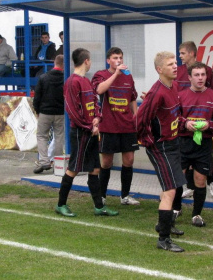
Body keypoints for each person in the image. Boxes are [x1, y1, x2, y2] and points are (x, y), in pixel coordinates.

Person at [56, 48, 118, 218]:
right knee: (74, 168)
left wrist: (97, 118)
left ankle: (99, 207)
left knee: (95, 169)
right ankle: (61, 204)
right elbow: (72, 110)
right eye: (90, 60)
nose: (90, 63)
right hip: (81, 132)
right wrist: (89, 126)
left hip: (91, 130)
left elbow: (94, 102)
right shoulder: (72, 82)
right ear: (86, 61)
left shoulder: (86, 81)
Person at [135, 51, 187, 253]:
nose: (175, 66)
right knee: (170, 190)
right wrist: (149, 141)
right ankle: (163, 239)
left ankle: (165, 224)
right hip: (161, 146)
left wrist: (185, 123)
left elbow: (174, 115)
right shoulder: (156, 93)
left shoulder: (173, 86)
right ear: (159, 69)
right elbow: (140, 121)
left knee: (175, 186)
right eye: (170, 64)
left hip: (173, 143)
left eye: (176, 63)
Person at [178, 62, 213, 227]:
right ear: (189, 77)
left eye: (203, 75)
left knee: (200, 180)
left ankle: (196, 214)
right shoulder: (181, 95)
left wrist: (210, 125)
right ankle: (176, 208)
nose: (200, 78)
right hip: (183, 142)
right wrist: (185, 123)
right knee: (178, 178)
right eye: (197, 75)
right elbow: (174, 116)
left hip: (204, 143)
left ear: (207, 77)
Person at [92, 47, 140, 205]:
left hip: (127, 125)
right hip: (109, 125)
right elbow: (99, 90)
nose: (118, 60)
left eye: (120, 57)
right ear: (108, 60)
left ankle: (124, 196)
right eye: (115, 58)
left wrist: (136, 116)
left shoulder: (128, 77)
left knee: (130, 159)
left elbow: (132, 97)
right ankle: (102, 195)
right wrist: (116, 74)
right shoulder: (101, 75)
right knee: (106, 162)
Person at [176, 41, 213, 200]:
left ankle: (210, 182)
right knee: (184, 158)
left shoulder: (207, 70)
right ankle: (190, 187)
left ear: (192, 53)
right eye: (179, 53)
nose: (180, 56)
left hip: (203, 118)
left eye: (182, 53)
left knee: (206, 153)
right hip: (185, 121)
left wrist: (211, 119)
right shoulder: (179, 71)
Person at [33, 55, 65, 174]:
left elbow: (37, 97)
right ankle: (58, 163)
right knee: (59, 137)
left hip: (45, 112)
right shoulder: (65, 79)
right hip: (61, 113)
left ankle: (44, 162)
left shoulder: (43, 78)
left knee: (41, 136)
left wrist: (37, 111)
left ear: (54, 63)